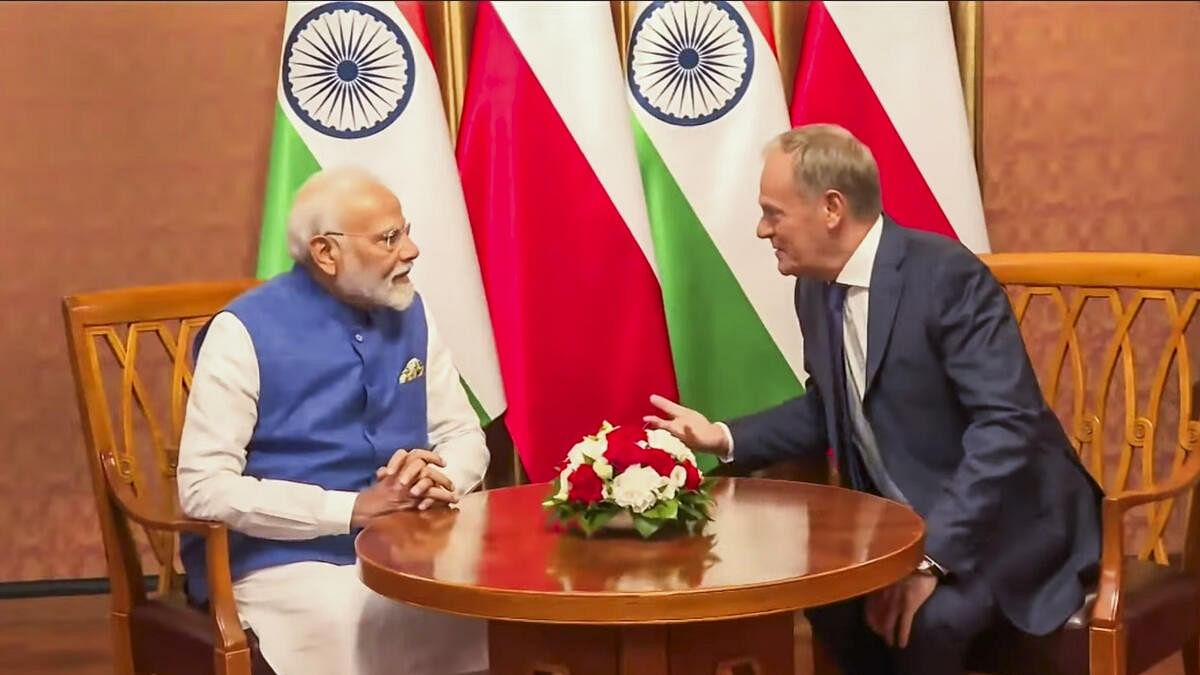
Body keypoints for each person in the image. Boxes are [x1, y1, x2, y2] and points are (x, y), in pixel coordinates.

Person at [644, 124, 1102, 675]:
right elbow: (828, 407)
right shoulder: (813, 287)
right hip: (900, 527)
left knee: (931, 621)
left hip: (1005, 522)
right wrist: (723, 436)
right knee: (829, 600)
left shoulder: (946, 277)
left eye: (774, 212)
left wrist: (930, 559)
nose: (763, 230)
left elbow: (1007, 428)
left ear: (831, 208)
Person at [176, 167, 489, 675]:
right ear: (326, 253)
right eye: (390, 238)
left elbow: (460, 432)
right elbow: (203, 487)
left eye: (406, 231)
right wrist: (352, 509)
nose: (411, 251)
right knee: (350, 617)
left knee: (482, 607)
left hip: (409, 544)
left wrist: (443, 477)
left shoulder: (412, 311)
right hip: (282, 557)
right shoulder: (242, 331)